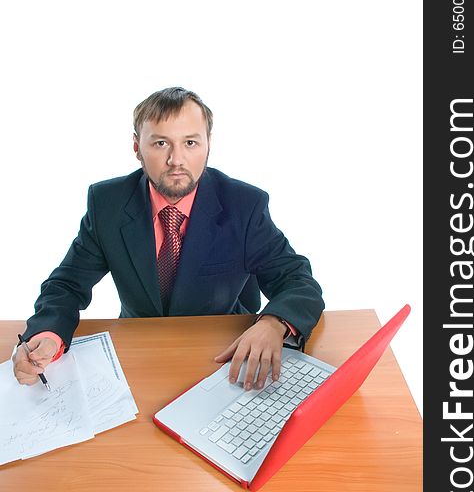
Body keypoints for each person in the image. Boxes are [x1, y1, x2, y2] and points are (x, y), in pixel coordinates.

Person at [13, 87, 324, 391]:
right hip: (140, 352)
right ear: (137, 147)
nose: (177, 159)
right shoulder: (107, 203)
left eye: (190, 142)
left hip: (222, 355)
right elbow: (66, 284)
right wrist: (49, 336)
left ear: (208, 144)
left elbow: (297, 280)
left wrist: (273, 323)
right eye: (161, 143)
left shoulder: (243, 205)